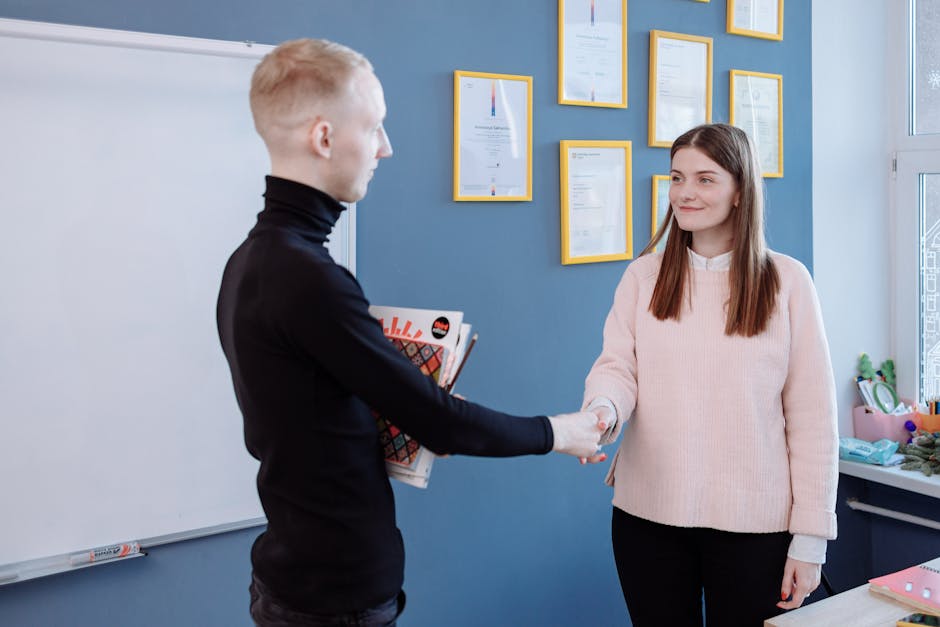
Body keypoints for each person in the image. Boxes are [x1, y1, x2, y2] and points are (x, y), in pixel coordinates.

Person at [216, 38, 606, 627]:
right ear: (324, 138)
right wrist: (563, 432)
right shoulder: (308, 279)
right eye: (374, 127)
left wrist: (407, 411)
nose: (386, 148)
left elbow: (308, 412)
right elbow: (440, 421)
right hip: (334, 597)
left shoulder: (253, 261)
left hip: (294, 576)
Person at [582, 123, 838, 626]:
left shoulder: (787, 282)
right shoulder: (644, 276)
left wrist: (810, 540)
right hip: (647, 517)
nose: (685, 193)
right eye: (677, 178)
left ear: (740, 190)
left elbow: (813, 420)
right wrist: (601, 412)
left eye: (704, 178)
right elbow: (617, 369)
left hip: (755, 527)